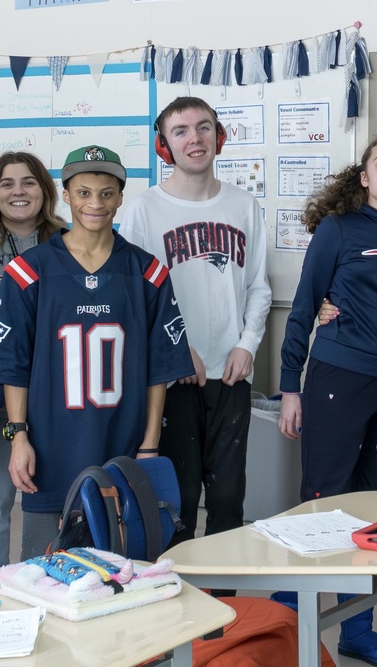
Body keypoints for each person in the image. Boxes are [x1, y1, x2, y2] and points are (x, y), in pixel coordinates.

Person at [0, 144, 195, 559]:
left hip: (122, 446)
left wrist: (149, 444)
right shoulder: (30, 271)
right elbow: (12, 365)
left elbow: (159, 369)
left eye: (107, 193)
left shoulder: (147, 272)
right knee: (45, 572)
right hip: (51, 450)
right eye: (85, 192)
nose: (96, 203)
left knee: (124, 572)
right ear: (67, 194)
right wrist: (18, 437)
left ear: (121, 197)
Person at [278, 135, 377, 667]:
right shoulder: (339, 230)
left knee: (370, 514)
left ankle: (357, 629)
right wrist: (288, 386)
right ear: (364, 177)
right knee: (321, 504)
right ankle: (286, 625)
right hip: (338, 379)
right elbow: (304, 306)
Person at [120, 97, 271, 543]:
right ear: (164, 145)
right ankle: (179, 602)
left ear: (219, 137)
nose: (195, 139)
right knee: (179, 502)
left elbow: (259, 286)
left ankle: (228, 602)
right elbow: (134, 297)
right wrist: (174, 349)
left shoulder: (244, 206)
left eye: (204, 128)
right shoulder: (142, 211)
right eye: (181, 131)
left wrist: (248, 343)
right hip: (172, 380)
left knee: (228, 500)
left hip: (230, 375)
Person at [0, 151, 64, 596]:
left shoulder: (70, 239)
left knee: (56, 505)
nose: (18, 191)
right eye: (7, 183)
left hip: (57, 396)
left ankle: (47, 595)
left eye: (28, 182)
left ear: (45, 190)